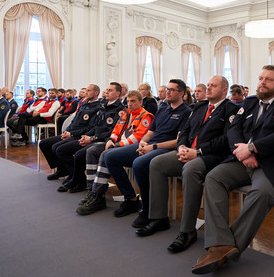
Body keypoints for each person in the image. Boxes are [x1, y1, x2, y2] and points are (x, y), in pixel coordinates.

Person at [191, 65, 274, 274]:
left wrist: (253, 149)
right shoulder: (250, 102)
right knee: (214, 177)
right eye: (261, 78)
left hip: (273, 164)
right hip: (243, 160)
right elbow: (234, 128)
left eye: (268, 79)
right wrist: (242, 152)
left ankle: (224, 248)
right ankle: (221, 242)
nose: (262, 82)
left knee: (262, 192)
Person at [137, 76, 239, 254]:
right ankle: (159, 217)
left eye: (213, 86)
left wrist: (198, 152)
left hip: (211, 156)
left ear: (224, 90)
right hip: (187, 151)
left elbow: (226, 140)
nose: (208, 88)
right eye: (207, 85)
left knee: (190, 169)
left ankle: (187, 230)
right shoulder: (199, 107)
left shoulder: (232, 109)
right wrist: (182, 146)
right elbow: (185, 130)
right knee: (157, 163)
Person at [85, 79, 191, 228]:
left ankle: (147, 209)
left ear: (181, 93)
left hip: (165, 148)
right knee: (109, 156)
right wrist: (143, 142)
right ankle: (131, 199)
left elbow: (178, 141)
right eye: (167, 89)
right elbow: (150, 132)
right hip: (149, 145)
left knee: (139, 163)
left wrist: (152, 147)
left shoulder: (186, 112)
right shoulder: (163, 109)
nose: (167, 92)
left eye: (172, 90)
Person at [76, 90, 154, 215]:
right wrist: (112, 139)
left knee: (105, 154)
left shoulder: (146, 116)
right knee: (92, 151)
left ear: (141, 102)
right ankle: (93, 192)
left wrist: (117, 144)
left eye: (133, 101)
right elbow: (116, 129)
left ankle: (101, 195)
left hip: (132, 147)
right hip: (116, 144)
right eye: (128, 101)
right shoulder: (125, 114)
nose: (129, 104)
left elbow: (137, 138)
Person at [54, 83, 125, 193]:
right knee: (63, 150)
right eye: (107, 89)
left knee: (78, 154)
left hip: (104, 141)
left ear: (118, 94)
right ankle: (77, 180)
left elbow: (112, 132)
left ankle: (78, 181)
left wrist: (92, 138)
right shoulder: (105, 106)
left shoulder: (120, 110)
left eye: (110, 90)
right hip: (93, 137)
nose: (106, 92)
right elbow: (96, 126)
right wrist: (87, 136)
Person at [39, 84, 103, 181]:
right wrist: (66, 131)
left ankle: (76, 176)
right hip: (71, 133)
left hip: (79, 135)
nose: (86, 93)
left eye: (88, 90)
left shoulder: (97, 107)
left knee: (57, 148)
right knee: (44, 143)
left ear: (96, 93)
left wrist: (72, 134)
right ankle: (62, 169)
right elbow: (74, 121)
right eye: (86, 91)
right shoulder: (84, 104)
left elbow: (90, 128)